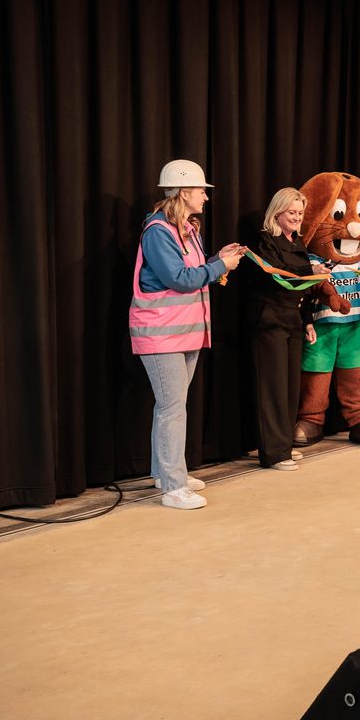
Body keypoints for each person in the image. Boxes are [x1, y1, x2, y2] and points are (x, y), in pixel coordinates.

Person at [128, 160, 245, 511]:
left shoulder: (187, 229)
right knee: (171, 409)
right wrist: (220, 267)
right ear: (183, 192)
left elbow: (194, 270)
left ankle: (166, 474)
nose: (205, 198)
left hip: (185, 334)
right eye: (200, 192)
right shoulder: (158, 231)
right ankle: (173, 486)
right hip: (161, 335)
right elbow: (178, 279)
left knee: (173, 407)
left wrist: (216, 259)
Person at [245, 188, 320, 473]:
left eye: (300, 213)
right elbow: (277, 279)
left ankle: (283, 444)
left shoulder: (298, 242)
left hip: (293, 320)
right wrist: (310, 274)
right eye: (292, 213)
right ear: (277, 213)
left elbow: (303, 288)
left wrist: (308, 319)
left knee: (289, 386)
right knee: (273, 387)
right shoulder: (266, 241)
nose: (297, 218)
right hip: (270, 321)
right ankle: (274, 453)